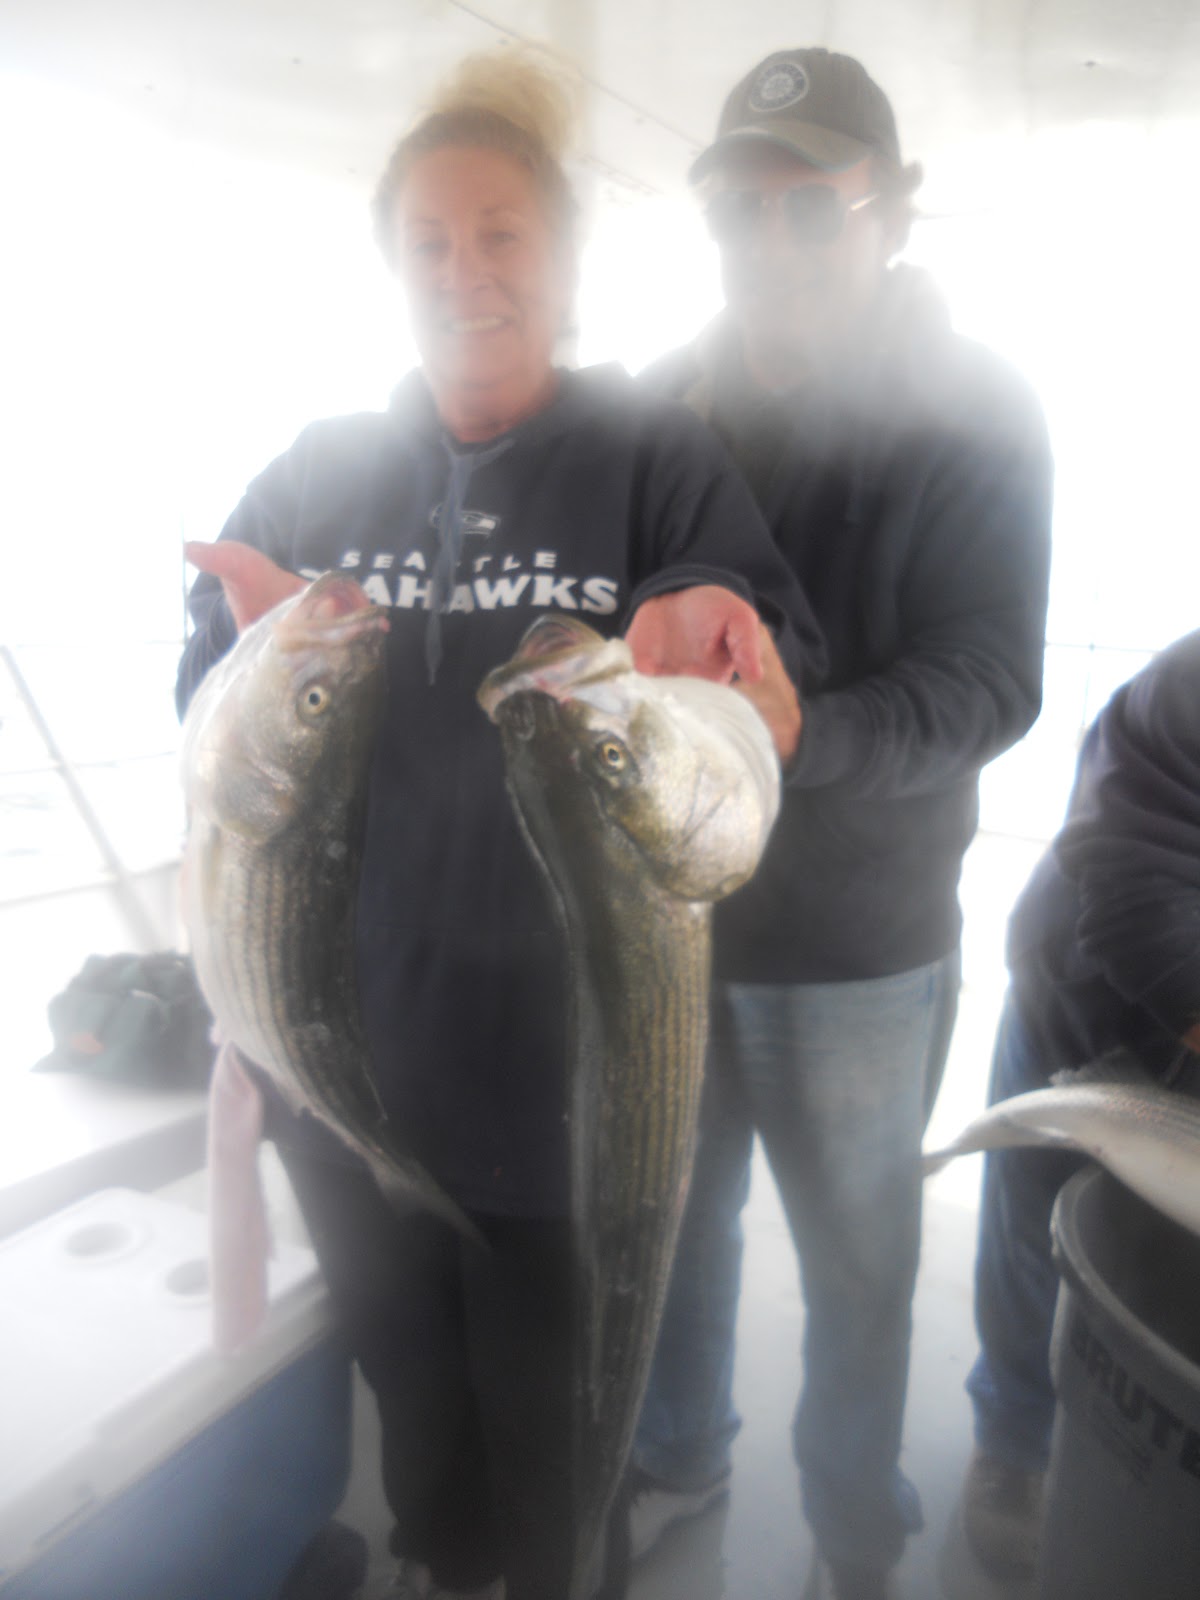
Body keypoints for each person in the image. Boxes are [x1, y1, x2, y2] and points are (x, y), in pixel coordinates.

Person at [175, 47, 822, 1600]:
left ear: (565, 259)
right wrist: (245, 662)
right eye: (430, 244)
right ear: (394, 270)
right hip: (351, 1068)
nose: (466, 273)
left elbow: (747, 645)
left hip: (568, 1090)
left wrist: (716, 631)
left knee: (560, 1452)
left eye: (503, 234)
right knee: (421, 1429)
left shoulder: (651, 455)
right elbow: (209, 704)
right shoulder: (320, 464)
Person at [627, 47, 1054, 1600]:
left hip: (865, 951)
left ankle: (852, 1531)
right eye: (738, 208)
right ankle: (679, 1459)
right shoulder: (651, 409)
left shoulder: (981, 414)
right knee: (677, 1235)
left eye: (812, 207)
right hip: (671, 930)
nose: (773, 242)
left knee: (862, 1268)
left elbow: (992, 682)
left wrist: (807, 731)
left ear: (892, 216)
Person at [961, 628, 1200, 1582]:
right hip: (1087, 1004)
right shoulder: (1191, 681)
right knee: (1034, 1242)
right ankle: (1011, 1446)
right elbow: (1135, 886)